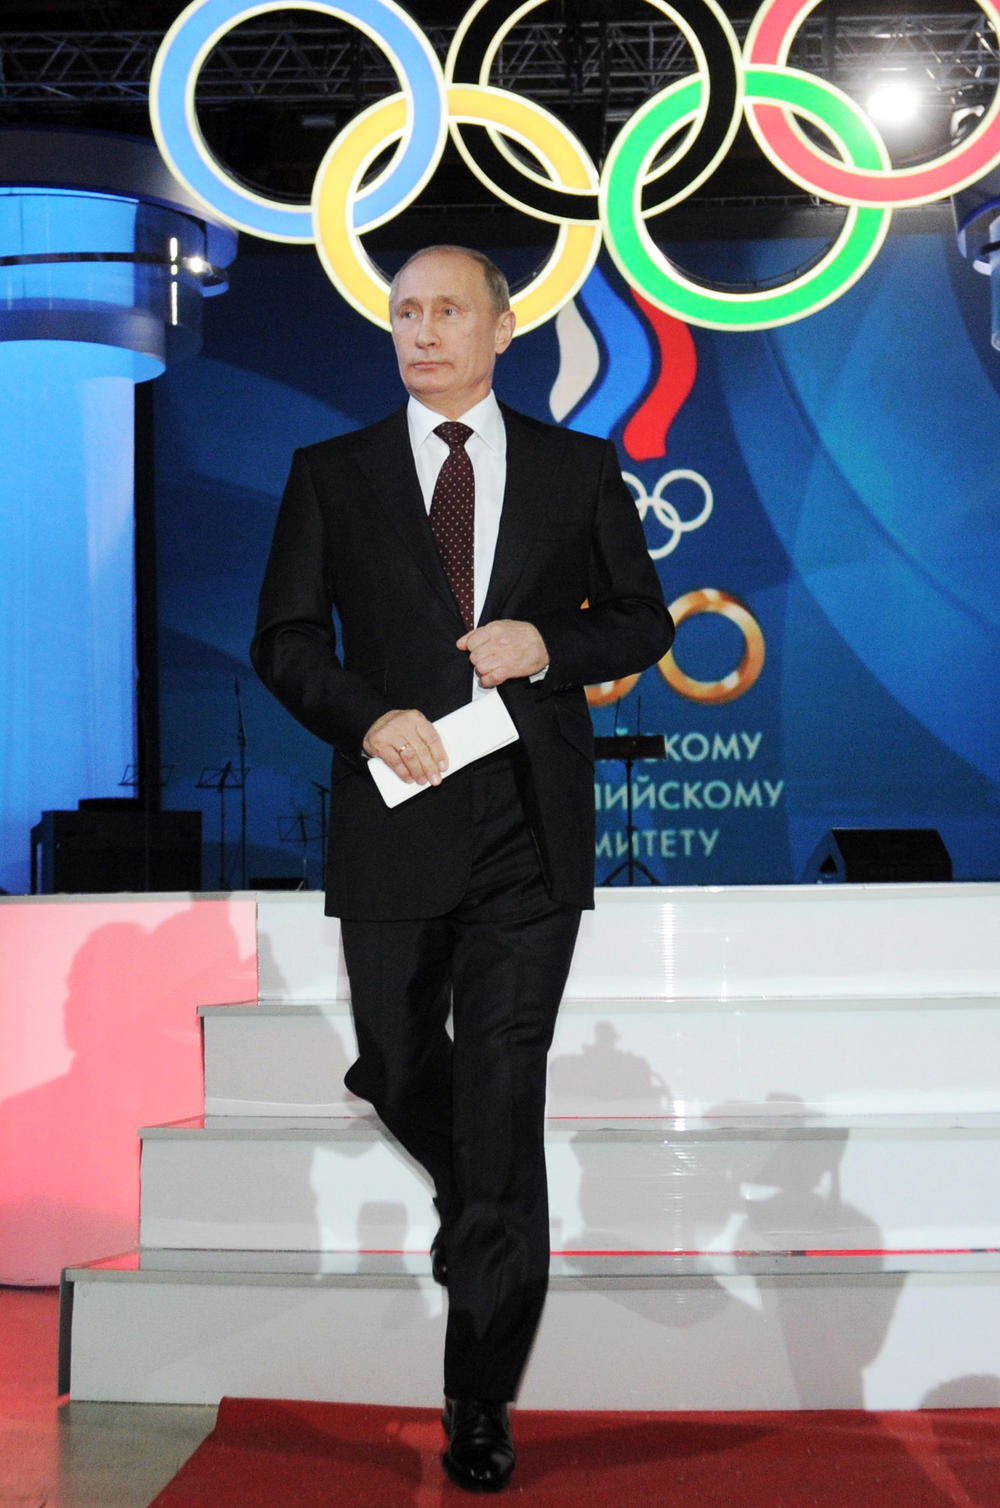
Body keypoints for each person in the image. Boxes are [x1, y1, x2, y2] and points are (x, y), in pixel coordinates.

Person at [251, 245, 673, 1492]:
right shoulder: (329, 472)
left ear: (502, 327)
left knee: (501, 1094)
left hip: (527, 828)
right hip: (395, 810)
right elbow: (284, 638)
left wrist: (546, 641)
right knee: (392, 1063)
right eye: (404, 312)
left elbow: (642, 618)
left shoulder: (574, 467)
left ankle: (478, 1393)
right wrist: (365, 714)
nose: (421, 330)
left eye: (446, 310)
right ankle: (474, 1190)